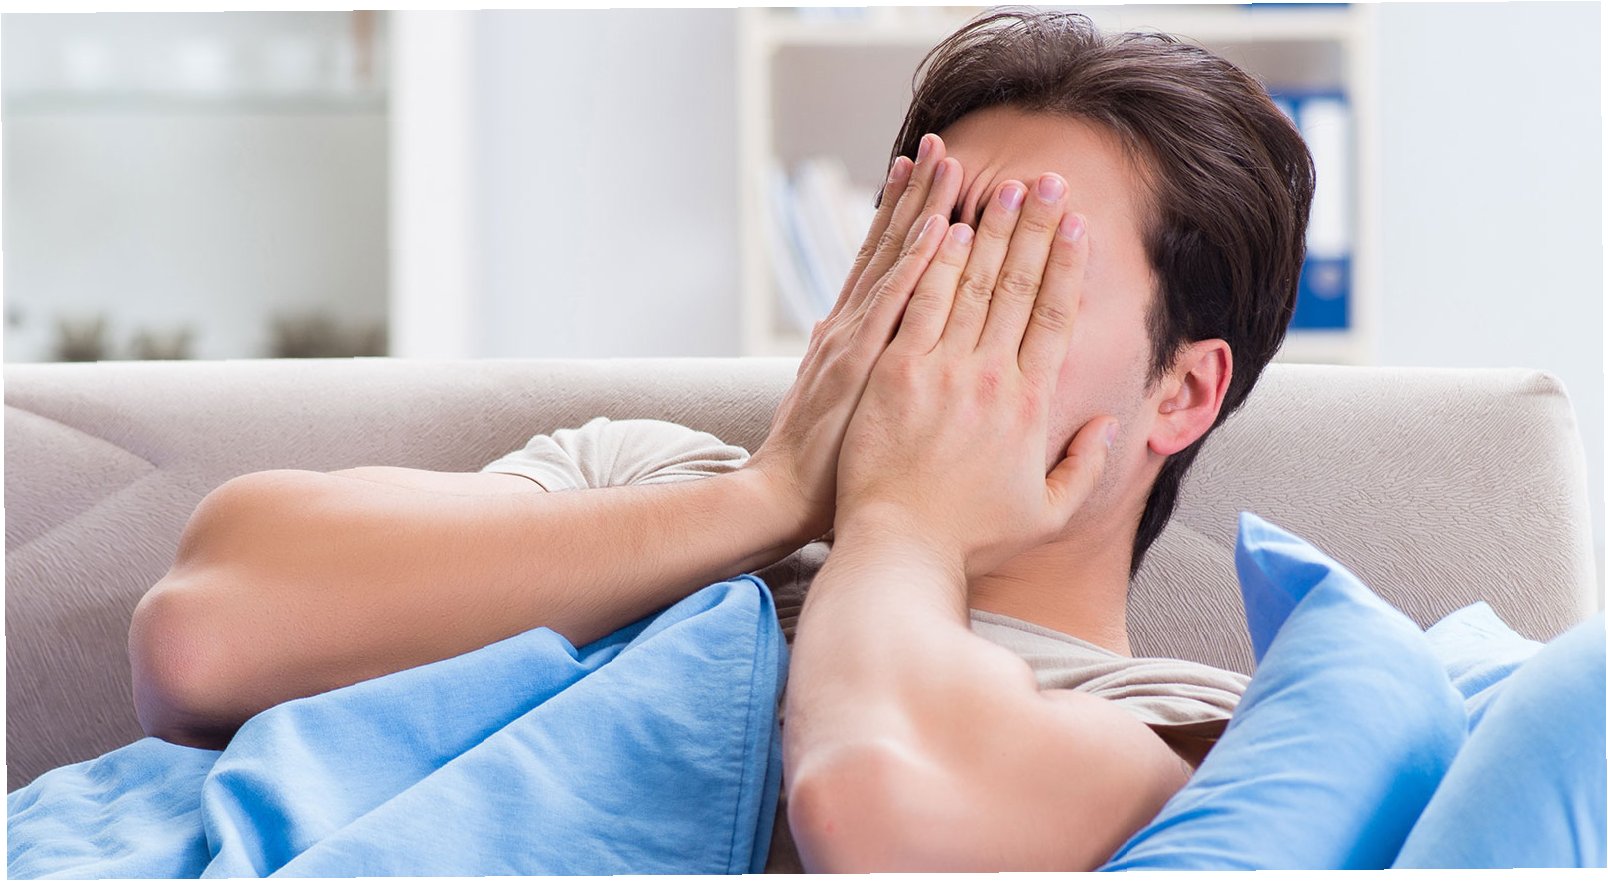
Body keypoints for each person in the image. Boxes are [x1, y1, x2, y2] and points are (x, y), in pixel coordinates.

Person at [125, 9, 1314, 872]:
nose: (928, 305)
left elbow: (873, 803)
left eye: (1017, 271)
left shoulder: (1184, 729)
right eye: (918, 239)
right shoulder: (659, 478)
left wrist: (906, 523)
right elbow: (202, 633)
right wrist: (772, 491)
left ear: (1182, 393)